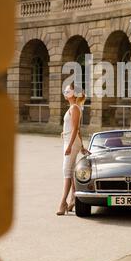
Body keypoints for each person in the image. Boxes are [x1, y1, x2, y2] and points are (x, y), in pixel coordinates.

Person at [56, 83, 89, 215]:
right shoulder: (73, 107)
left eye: (68, 90)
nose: (65, 92)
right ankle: (73, 199)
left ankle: (62, 202)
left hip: (70, 142)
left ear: (74, 93)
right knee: (71, 171)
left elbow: (76, 129)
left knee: (67, 172)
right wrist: (81, 146)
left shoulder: (75, 107)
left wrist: (70, 146)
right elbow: (75, 129)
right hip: (70, 140)